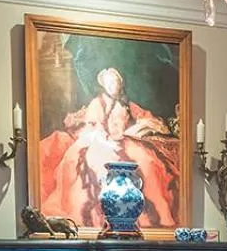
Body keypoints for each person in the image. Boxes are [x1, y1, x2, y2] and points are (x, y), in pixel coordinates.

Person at [39, 68, 179, 228]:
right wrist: (106, 137)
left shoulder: (127, 104)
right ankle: (106, 218)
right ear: (104, 85)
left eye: (115, 82)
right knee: (96, 163)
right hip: (101, 141)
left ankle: (148, 216)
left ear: (120, 84)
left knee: (147, 162)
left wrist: (139, 127)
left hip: (126, 140)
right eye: (109, 83)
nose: (113, 86)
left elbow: (145, 118)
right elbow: (93, 125)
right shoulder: (97, 103)